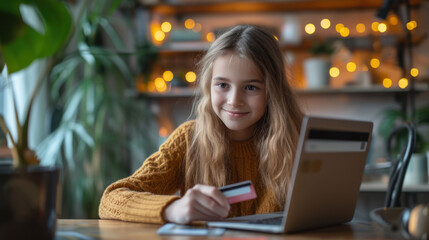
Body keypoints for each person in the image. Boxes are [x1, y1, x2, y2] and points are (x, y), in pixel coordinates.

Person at [99, 24, 303, 225]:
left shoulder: (299, 140)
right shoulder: (188, 139)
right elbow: (111, 199)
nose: (234, 100)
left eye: (251, 87)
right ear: (209, 86)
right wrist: (172, 208)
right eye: (223, 85)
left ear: (273, 91)